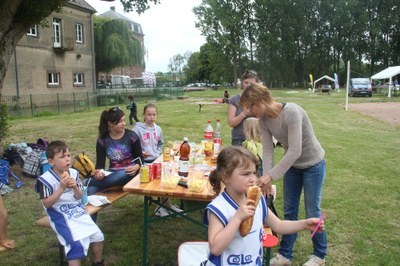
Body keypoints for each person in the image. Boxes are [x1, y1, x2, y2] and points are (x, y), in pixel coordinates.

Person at [240, 83, 328, 266]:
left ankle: (319, 256)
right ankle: (285, 256)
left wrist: (270, 176)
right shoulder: (263, 120)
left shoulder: (292, 113)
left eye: (251, 106)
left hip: (313, 165)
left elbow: (295, 150)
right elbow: (268, 151)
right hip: (293, 168)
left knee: (313, 210)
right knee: (289, 211)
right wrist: (264, 177)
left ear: (261, 100)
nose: (249, 111)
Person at [203, 146, 324, 265]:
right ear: (226, 177)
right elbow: (215, 248)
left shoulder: (257, 200)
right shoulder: (219, 208)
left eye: (254, 173)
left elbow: (278, 225)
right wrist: (238, 218)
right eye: (246, 174)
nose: (253, 179)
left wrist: (304, 224)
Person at [35, 141, 104, 266]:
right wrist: (61, 188)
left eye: (68, 155)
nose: (67, 159)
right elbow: (47, 204)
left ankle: (98, 262)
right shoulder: (45, 180)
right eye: (62, 157)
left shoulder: (73, 173)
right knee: (75, 245)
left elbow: (79, 196)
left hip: (76, 209)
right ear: (51, 162)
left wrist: (75, 188)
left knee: (98, 235)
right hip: (58, 214)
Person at [132, 103, 183, 217]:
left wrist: (159, 152)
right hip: (145, 163)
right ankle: (164, 206)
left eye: (154, 114)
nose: (151, 117)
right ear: (144, 115)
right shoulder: (137, 130)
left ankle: (163, 206)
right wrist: (140, 153)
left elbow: (160, 143)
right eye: (149, 114)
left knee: (170, 174)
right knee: (161, 178)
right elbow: (132, 146)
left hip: (157, 160)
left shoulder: (158, 129)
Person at [89, 107, 143, 196]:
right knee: (91, 190)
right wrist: (100, 173)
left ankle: (86, 182)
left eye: (124, 120)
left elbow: (140, 159)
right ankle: (85, 209)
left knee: (122, 174)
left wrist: (137, 167)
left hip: (130, 172)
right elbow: (100, 165)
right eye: (120, 121)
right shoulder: (103, 140)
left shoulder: (132, 136)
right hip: (112, 174)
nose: (124, 124)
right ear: (110, 123)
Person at [227, 70, 259, 146]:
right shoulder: (234, 100)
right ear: (242, 83)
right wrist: (243, 113)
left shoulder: (259, 99)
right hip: (239, 139)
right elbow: (231, 123)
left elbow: (265, 121)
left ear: (256, 84)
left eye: (251, 83)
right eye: (246, 82)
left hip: (257, 139)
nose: (248, 85)